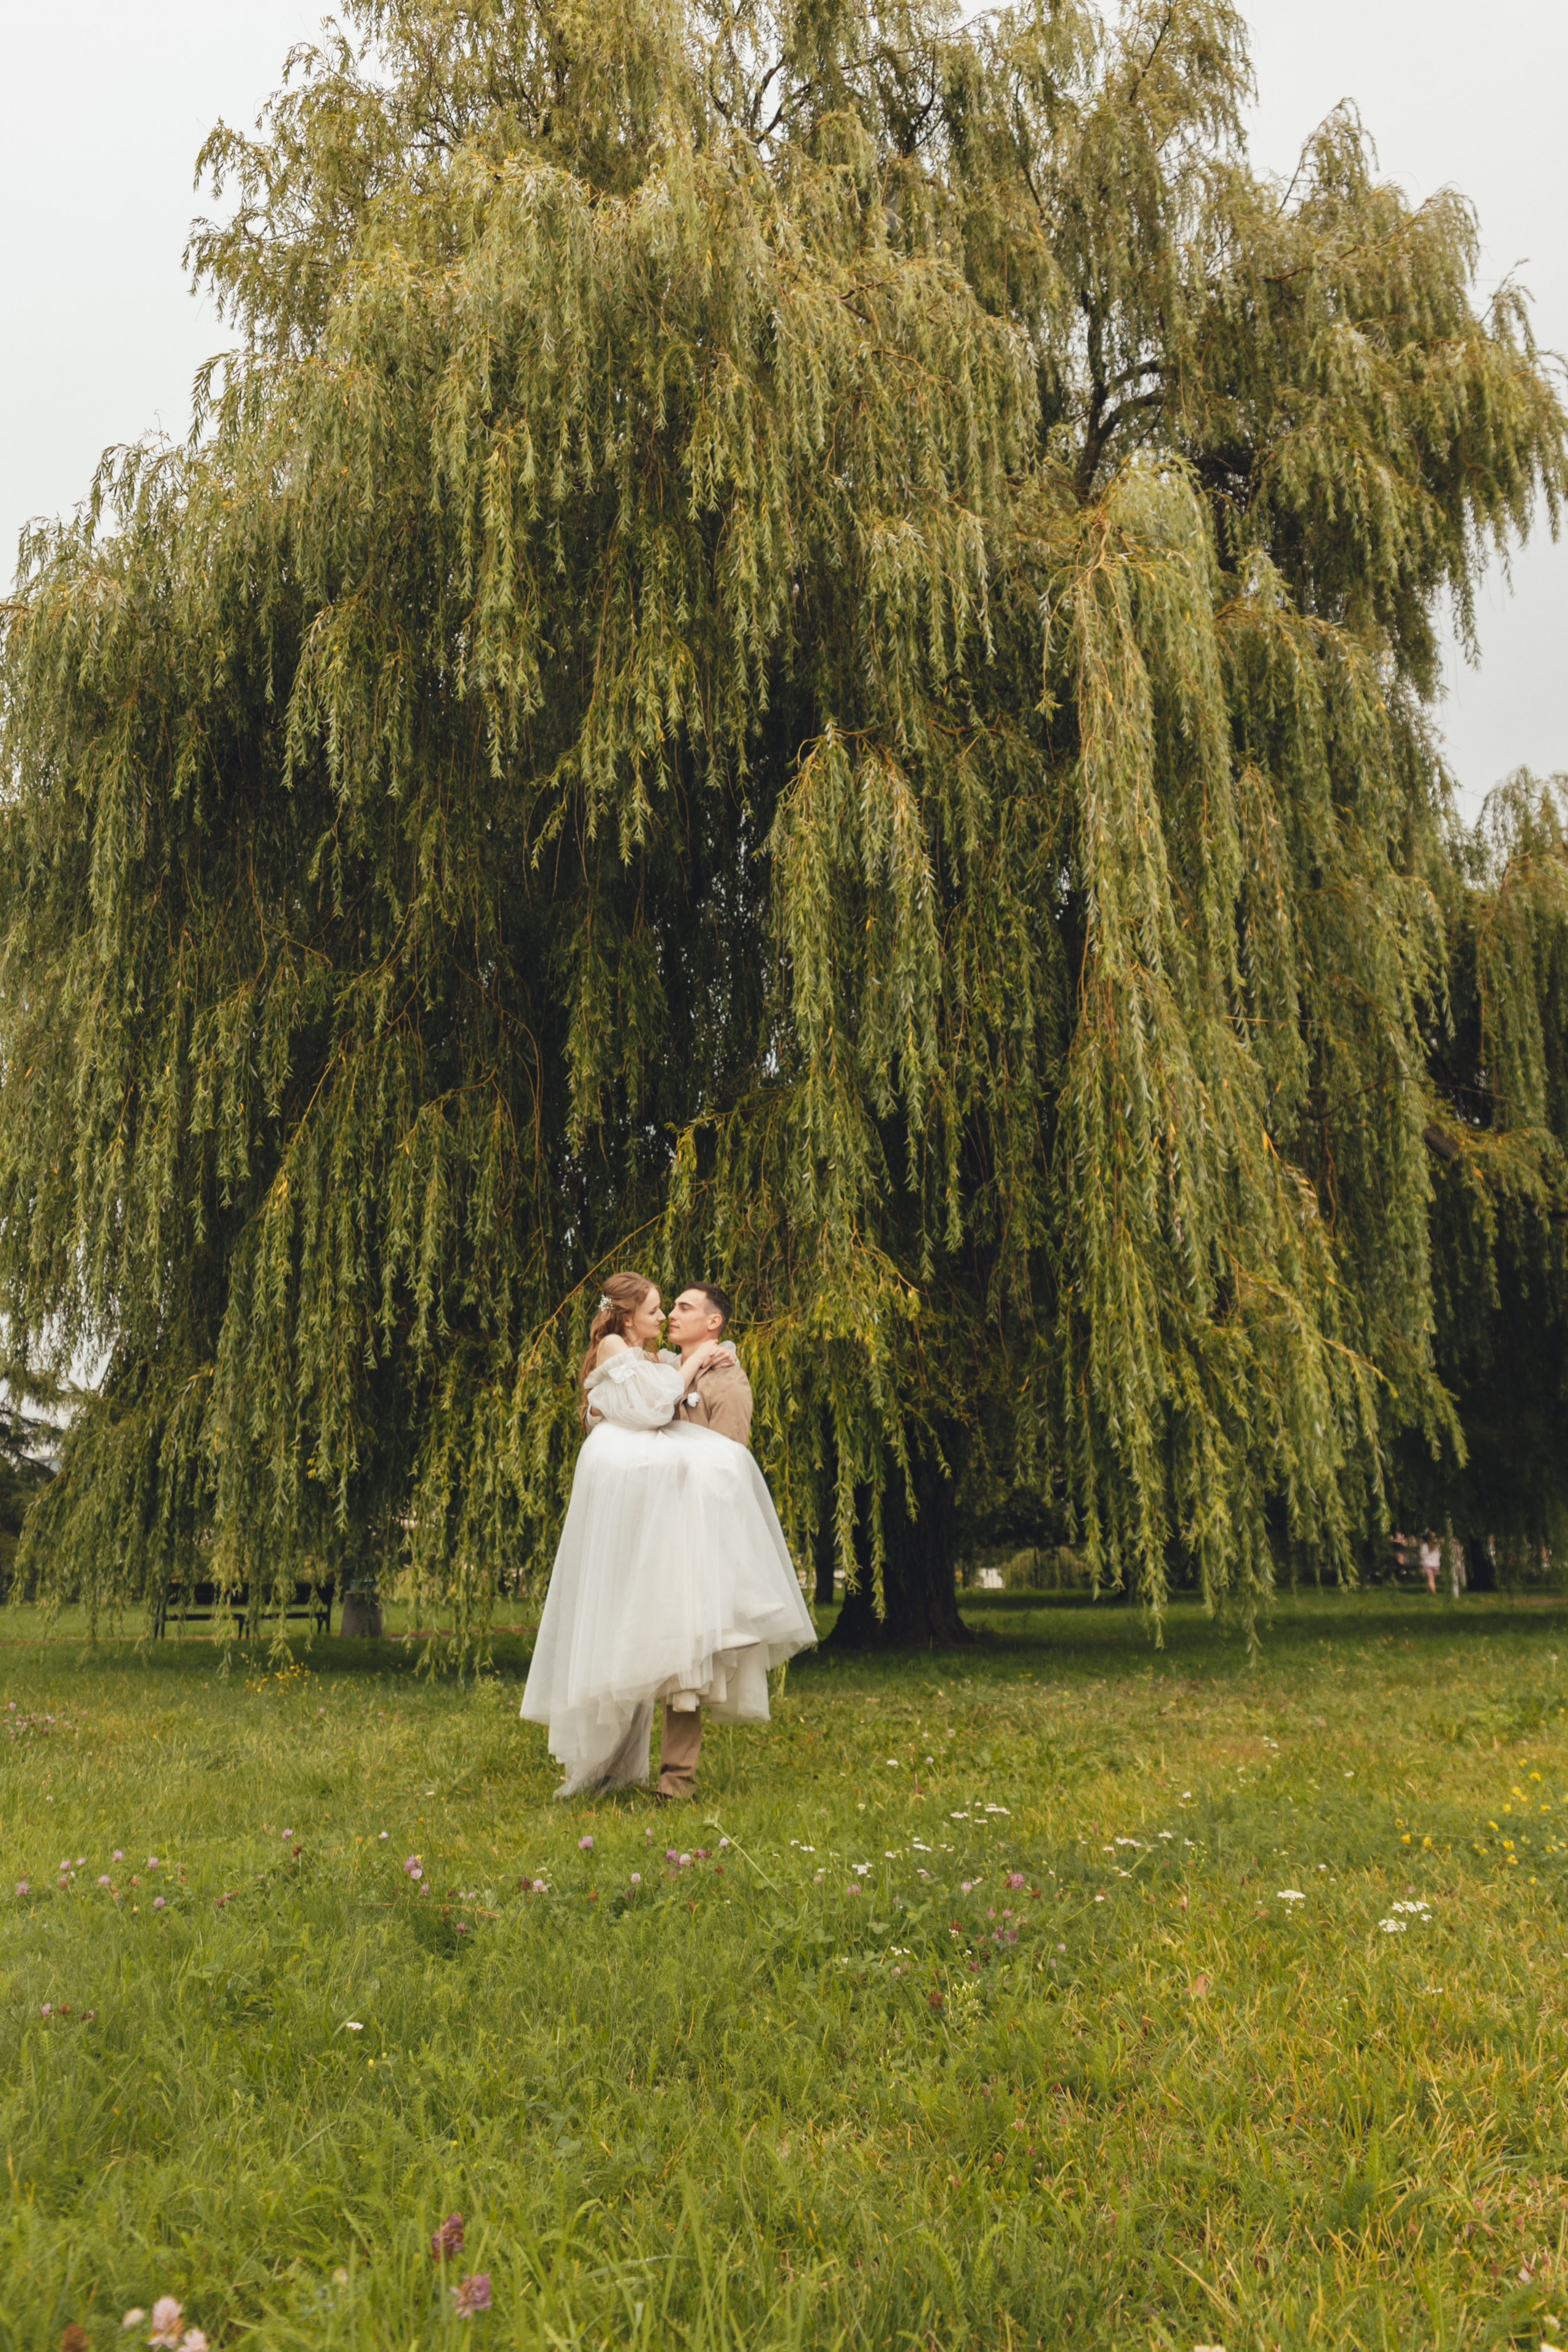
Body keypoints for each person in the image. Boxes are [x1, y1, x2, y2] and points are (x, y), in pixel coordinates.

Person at [519, 1271, 815, 1800]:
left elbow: (730, 1465)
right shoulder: (656, 1363)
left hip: (689, 1544)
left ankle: (676, 1780)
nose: (671, 1315)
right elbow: (620, 1405)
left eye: (682, 1308)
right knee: (631, 1644)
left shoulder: (726, 1380)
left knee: (686, 1668)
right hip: (644, 1536)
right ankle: (611, 1763)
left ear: (714, 1322)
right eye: (665, 1308)